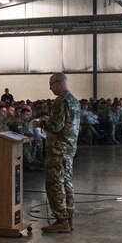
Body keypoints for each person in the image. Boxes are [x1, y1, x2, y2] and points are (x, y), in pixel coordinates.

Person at [42, 73, 81, 234]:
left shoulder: (61, 101)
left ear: (58, 83)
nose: (50, 88)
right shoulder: (74, 101)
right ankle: (68, 218)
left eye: (51, 84)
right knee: (67, 183)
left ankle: (61, 220)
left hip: (58, 149)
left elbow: (56, 126)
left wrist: (41, 122)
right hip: (69, 148)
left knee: (54, 184)